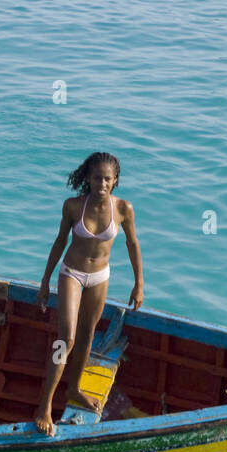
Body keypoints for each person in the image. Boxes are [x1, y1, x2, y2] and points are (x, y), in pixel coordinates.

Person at [32, 152, 144, 435]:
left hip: (100, 277)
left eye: (107, 178)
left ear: (115, 180)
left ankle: (74, 389)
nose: (102, 183)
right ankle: (44, 406)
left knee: (87, 336)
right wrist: (45, 281)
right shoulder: (72, 206)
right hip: (72, 273)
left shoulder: (123, 209)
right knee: (66, 338)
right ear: (88, 178)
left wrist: (139, 283)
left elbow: (132, 243)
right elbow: (60, 241)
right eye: (97, 178)